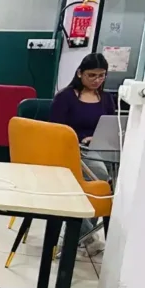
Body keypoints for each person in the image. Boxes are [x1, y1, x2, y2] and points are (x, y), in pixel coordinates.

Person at [50, 52, 116, 253]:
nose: (97, 80)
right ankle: (84, 235)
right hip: (70, 149)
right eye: (92, 75)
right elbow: (55, 130)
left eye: (101, 75)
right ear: (80, 73)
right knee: (100, 176)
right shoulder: (66, 97)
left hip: (99, 148)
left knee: (112, 180)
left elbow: (112, 127)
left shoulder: (106, 99)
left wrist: (97, 139)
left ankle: (80, 234)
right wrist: (80, 139)